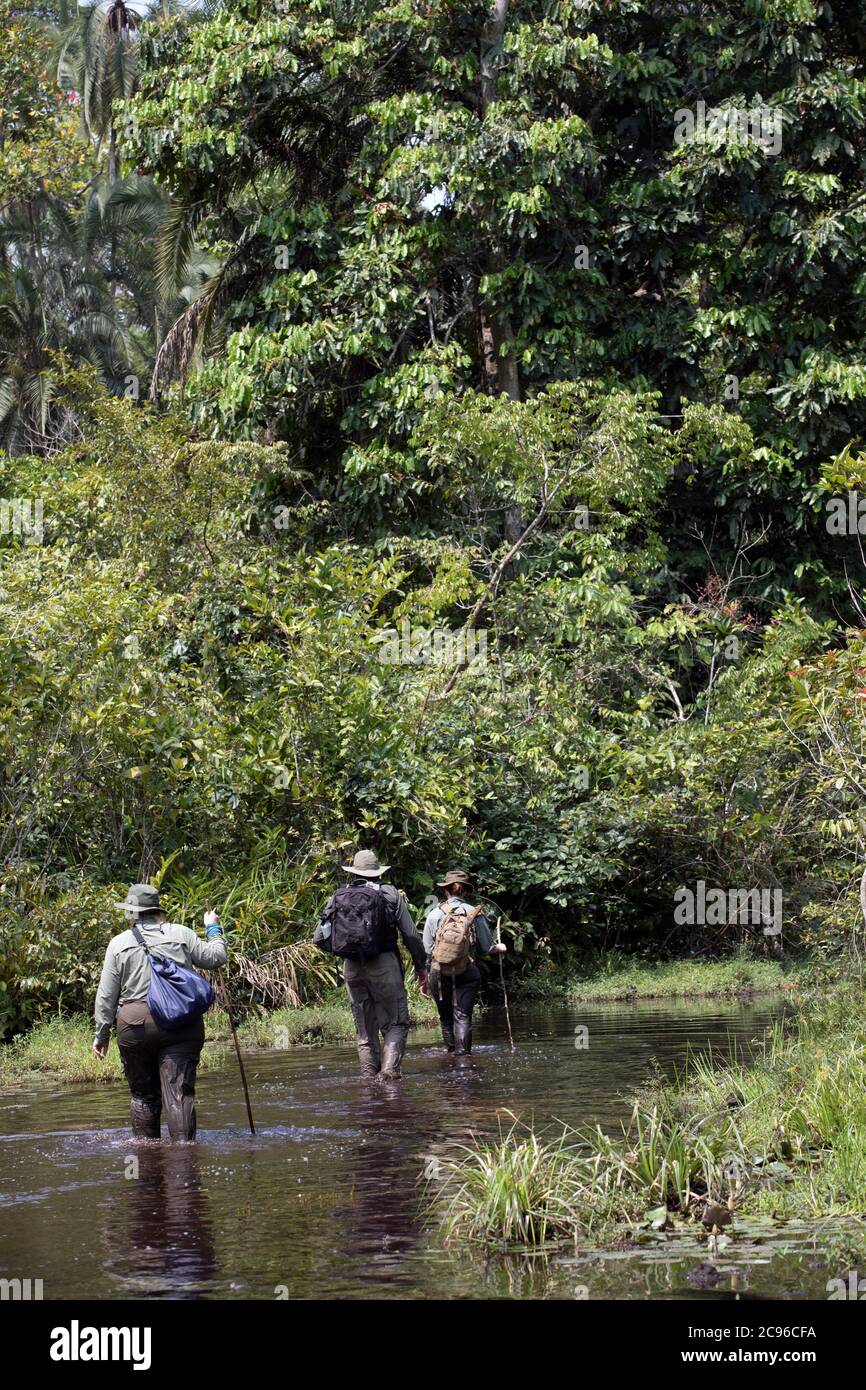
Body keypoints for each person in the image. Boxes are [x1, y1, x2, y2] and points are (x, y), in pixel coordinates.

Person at [93, 883, 227, 1140]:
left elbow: (106, 996)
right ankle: (185, 1160)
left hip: (135, 1025)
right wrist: (213, 927)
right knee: (180, 1094)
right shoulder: (181, 934)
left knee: (143, 1096)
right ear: (156, 910)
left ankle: (146, 1160)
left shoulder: (118, 944)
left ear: (133, 912)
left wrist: (102, 1034)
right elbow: (216, 957)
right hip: (180, 1024)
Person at [314, 850, 428, 1081]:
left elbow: (318, 938)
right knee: (396, 1024)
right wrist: (421, 968)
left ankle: (368, 1081)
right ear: (377, 872)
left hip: (352, 968)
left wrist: (348, 951)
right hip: (384, 965)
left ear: (354, 871)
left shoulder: (338, 895)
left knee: (365, 1032)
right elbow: (411, 936)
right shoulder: (389, 894)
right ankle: (388, 1074)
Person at [423, 869, 506, 1056]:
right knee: (462, 1015)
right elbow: (486, 948)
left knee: (445, 1018)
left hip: (439, 972)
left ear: (446, 890)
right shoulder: (474, 913)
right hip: (466, 971)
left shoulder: (434, 914)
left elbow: (427, 950)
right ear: (464, 890)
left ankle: (451, 1055)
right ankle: (464, 1060)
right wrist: (499, 947)